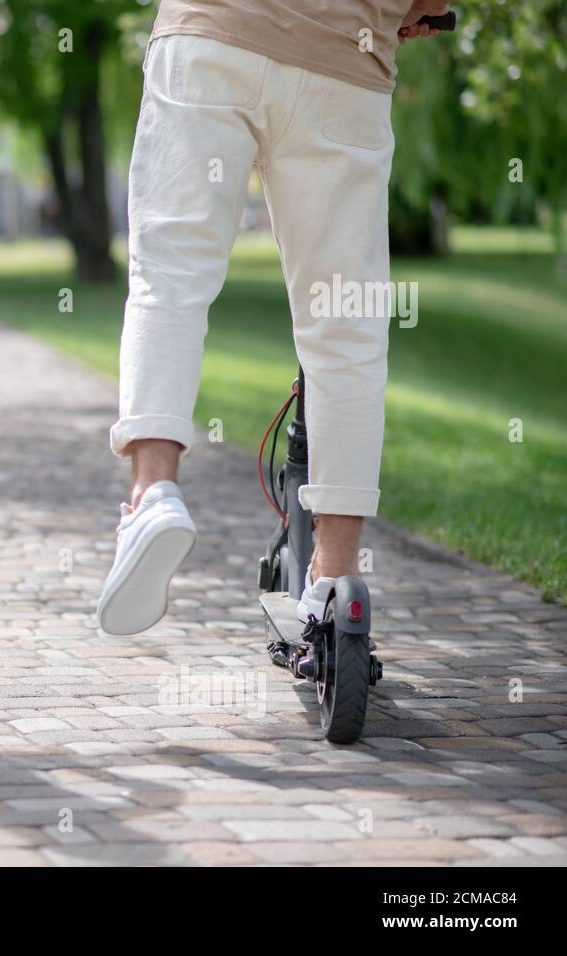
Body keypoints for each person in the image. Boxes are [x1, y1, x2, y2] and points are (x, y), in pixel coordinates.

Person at [97, 0, 451, 635]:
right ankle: (335, 581)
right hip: (344, 58)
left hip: (212, 36)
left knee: (171, 278)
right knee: (345, 328)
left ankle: (153, 494)